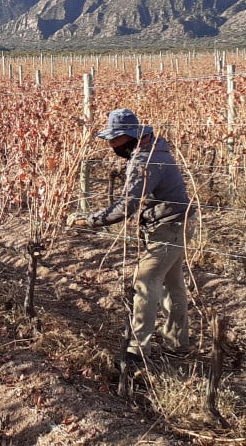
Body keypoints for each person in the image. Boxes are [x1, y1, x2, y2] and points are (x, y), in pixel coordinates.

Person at [67, 108, 195, 363]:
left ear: (131, 136)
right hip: (180, 222)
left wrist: (88, 221)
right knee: (172, 283)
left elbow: (126, 206)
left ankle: (137, 351)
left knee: (145, 281)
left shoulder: (144, 161)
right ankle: (177, 342)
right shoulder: (156, 149)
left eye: (116, 139)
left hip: (168, 228)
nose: (112, 145)